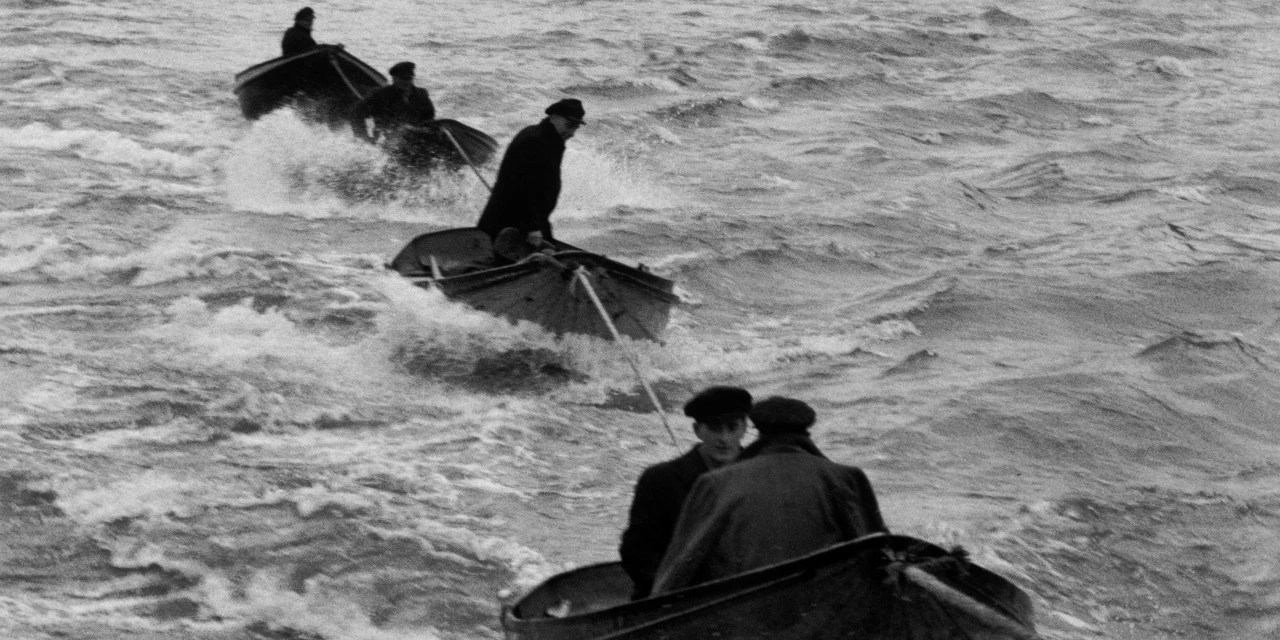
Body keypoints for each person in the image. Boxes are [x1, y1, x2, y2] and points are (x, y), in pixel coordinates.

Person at [650, 396, 888, 595]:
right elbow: (876, 555)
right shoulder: (844, 477)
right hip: (822, 609)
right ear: (806, 432)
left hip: (743, 615)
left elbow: (680, 566)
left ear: (756, 431)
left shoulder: (715, 482)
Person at [618, 386, 752, 600]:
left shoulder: (760, 474)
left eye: (732, 427)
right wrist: (672, 593)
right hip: (680, 599)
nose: (724, 438)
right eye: (714, 427)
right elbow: (638, 552)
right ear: (698, 430)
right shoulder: (660, 480)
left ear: (745, 428)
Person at [475, 98, 585, 257]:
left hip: (528, 222)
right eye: (569, 125)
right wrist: (532, 228)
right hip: (510, 225)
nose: (572, 133)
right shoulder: (534, 141)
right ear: (553, 116)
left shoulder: (550, 139)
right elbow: (524, 188)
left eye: (576, 127)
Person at [348, 61, 437, 144]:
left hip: (416, 139)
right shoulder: (380, 95)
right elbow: (356, 114)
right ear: (394, 79)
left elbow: (429, 117)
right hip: (388, 140)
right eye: (403, 78)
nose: (406, 82)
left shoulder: (421, 94)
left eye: (409, 78)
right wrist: (364, 138)